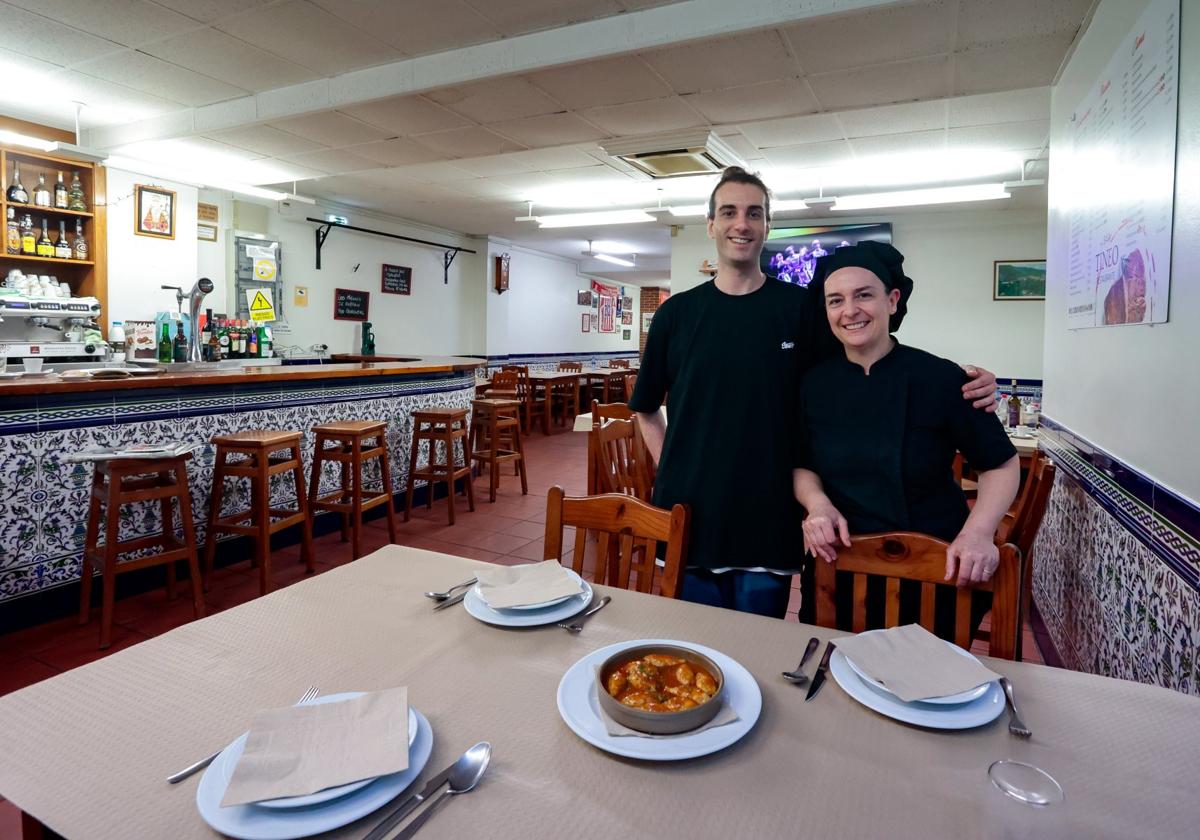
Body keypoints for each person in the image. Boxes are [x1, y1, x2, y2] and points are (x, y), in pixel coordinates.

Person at [630, 167, 998, 618]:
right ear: (710, 225)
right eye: (728, 212)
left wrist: (966, 380)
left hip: (769, 515)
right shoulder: (676, 316)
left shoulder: (799, 309)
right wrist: (676, 463)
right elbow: (645, 409)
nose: (741, 224)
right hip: (687, 515)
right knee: (691, 648)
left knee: (759, 649)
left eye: (754, 213)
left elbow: (861, 354)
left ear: (767, 225)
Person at [792, 241, 1020, 634]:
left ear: (893, 300)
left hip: (936, 565)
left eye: (864, 295)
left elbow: (1000, 463)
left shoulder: (942, 379)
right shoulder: (812, 385)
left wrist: (979, 533)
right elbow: (802, 463)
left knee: (933, 681)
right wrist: (817, 506)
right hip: (841, 567)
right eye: (836, 300)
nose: (850, 310)